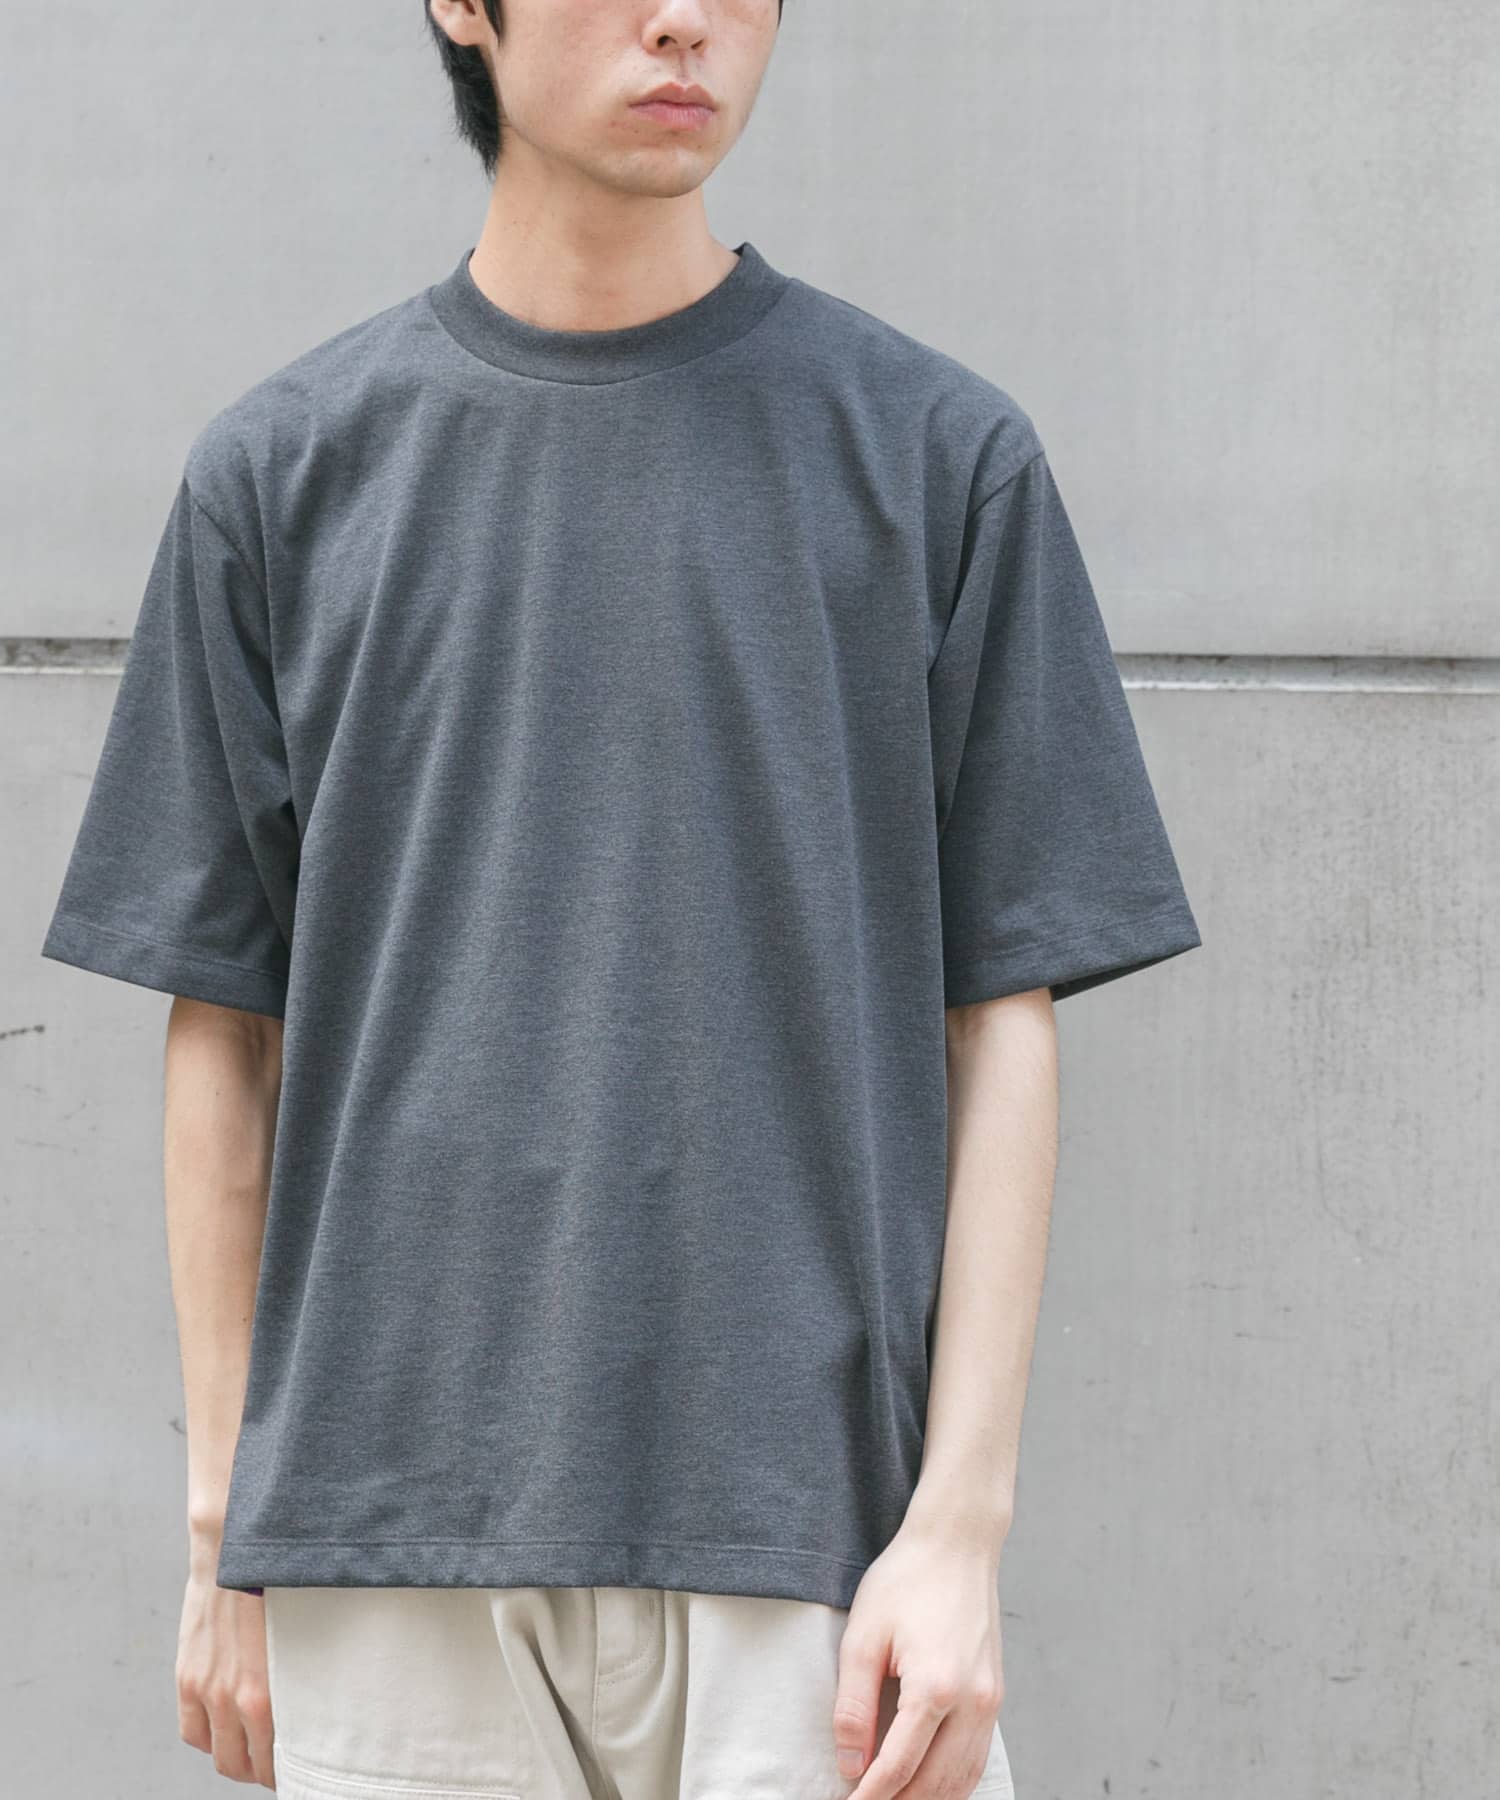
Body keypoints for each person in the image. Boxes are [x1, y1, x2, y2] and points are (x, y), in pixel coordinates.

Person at [39, 0, 1203, 1795]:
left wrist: (959, 1530)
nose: (686, 21)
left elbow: (1005, 1024)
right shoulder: (282, 474)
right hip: (384, 1537)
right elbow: (221, 1025)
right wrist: (223, 1526)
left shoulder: (934, 456)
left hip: (814, 1542)